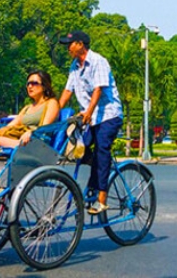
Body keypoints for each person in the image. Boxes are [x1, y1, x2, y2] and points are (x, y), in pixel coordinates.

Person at [58, 30, 123, 215]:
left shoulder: (98, 61)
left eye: (70, 45)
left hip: (108, 115)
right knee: (79, 150)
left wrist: (89, 112)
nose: (68, 49)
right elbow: (67, 92)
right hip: (90, 118)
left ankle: (101, 198)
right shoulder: (74, 66)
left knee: (102, 149)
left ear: (80, 44)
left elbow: (98, 90)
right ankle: (100, 171)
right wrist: (54, 112)